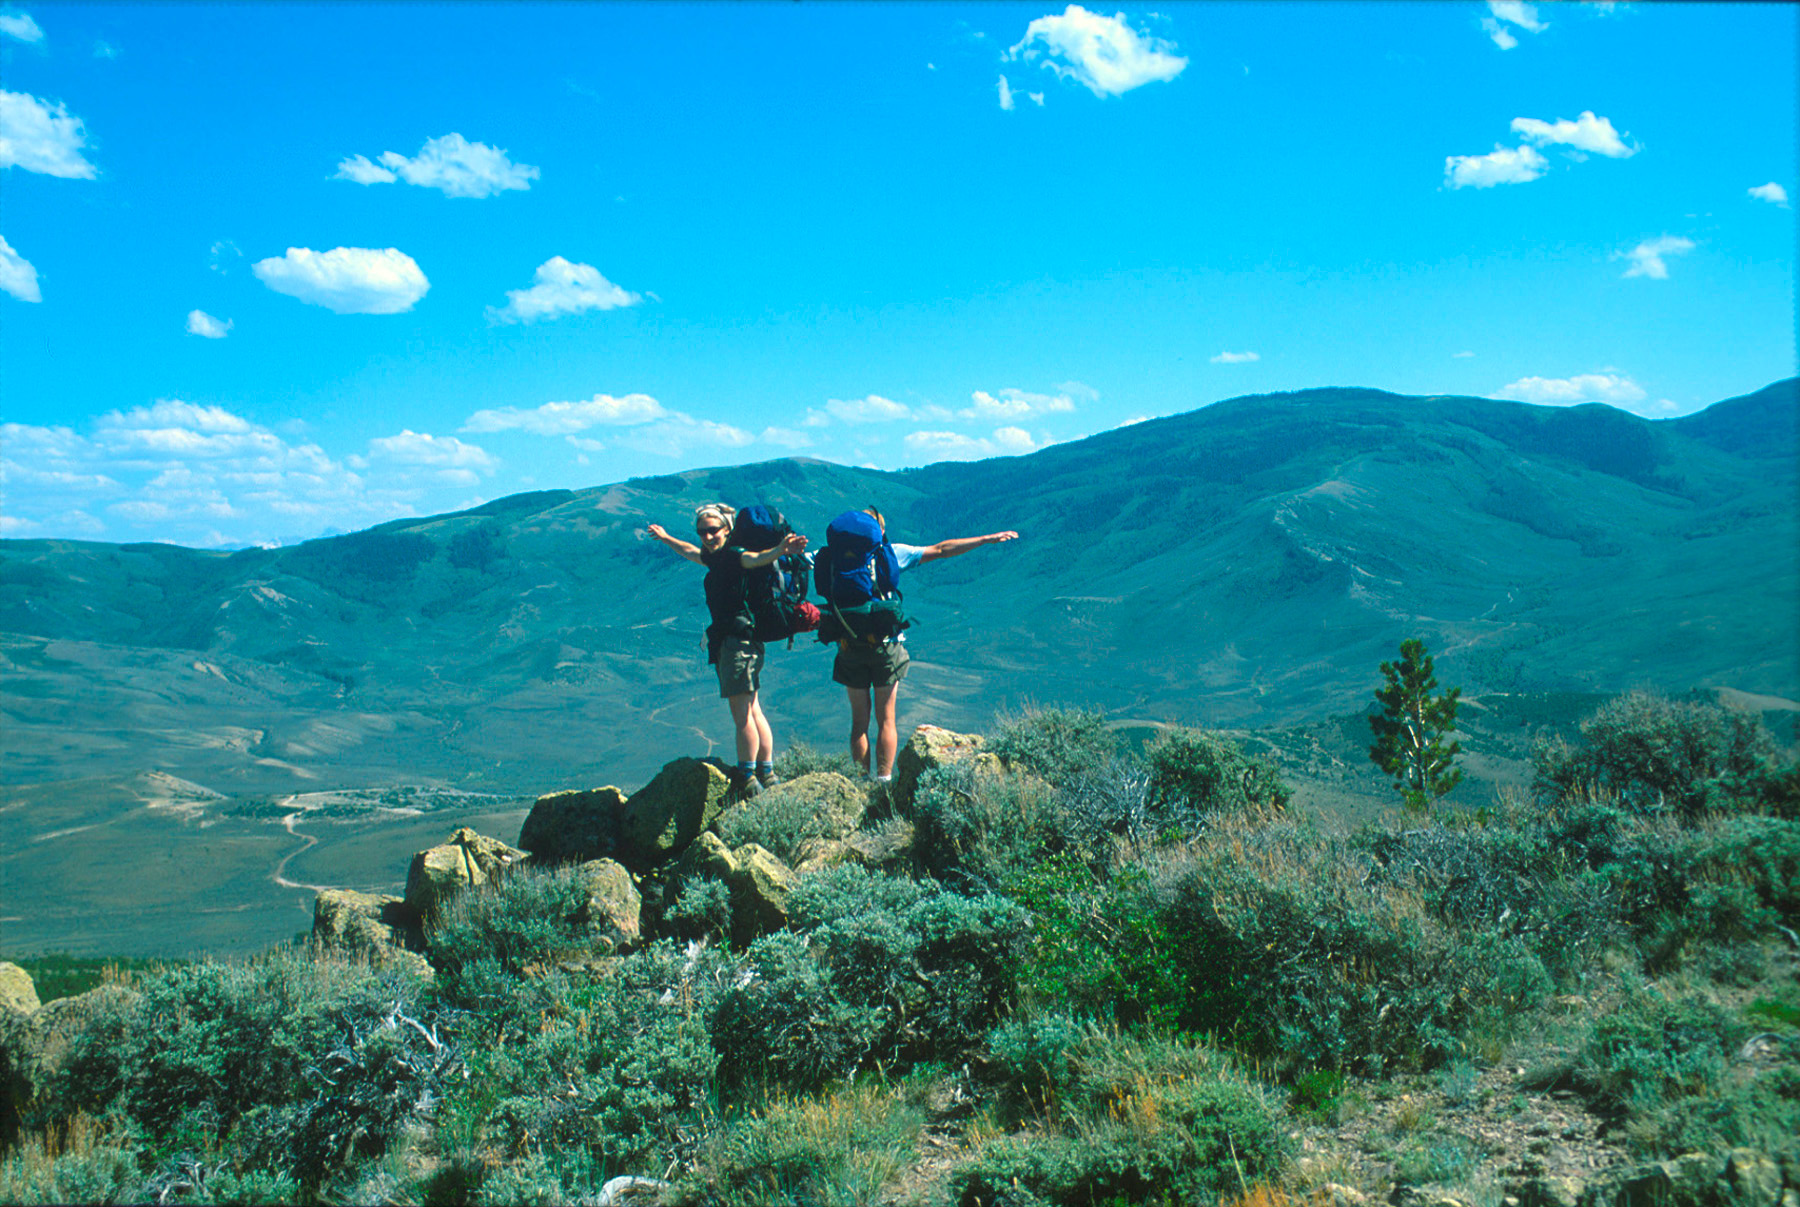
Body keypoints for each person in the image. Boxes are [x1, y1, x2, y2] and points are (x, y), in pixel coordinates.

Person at [819, 506, 1018, 783]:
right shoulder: (890, 553)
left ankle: (860, 783)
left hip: (849, 646)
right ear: (879, 531)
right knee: (886, 719)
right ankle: (883, 782)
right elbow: (941, 549)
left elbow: (790, 560)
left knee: (859, 722)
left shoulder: (830, 557)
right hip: (886, 647)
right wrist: (985, 539)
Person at [647, 504, 808, 800]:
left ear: (727, 530)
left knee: (742, 715)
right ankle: (767, 772)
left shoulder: (734, 556)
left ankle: (748, 777)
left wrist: (779, 551)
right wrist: (667, 538)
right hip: (743, 641)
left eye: (713, 530)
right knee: (753, 709)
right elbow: (690, 552)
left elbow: (755, 559)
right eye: (702, 532)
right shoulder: (717, 558)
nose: (707, 537)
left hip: (738, 645)